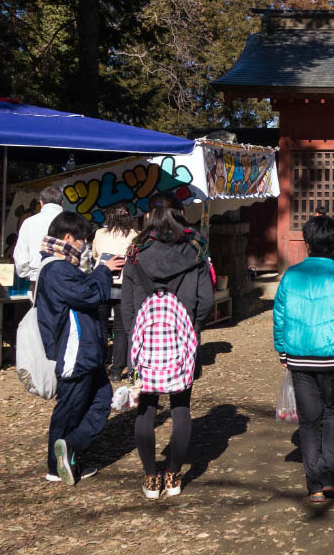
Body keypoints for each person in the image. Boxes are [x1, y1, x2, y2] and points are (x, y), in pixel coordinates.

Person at [122, 192, 214, 498]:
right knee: (181, 406)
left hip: (141, 341)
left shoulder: (136, 250)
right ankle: (173, 475)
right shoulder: (196, 247)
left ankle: (151, 478)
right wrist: (193, 327)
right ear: (180, 214)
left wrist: (134, 336)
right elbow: (206, 301)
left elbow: (126, 304)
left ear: (149, 215)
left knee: (145, 407)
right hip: (184, 338)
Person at [274, 214, 334, 503]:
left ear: (307, 243)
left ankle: (314, 484)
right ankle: (333, 478)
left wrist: (282, 350)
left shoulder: (291, 276)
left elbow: (279, 317)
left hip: (299, 355)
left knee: (309, 420)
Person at [37, 211, 124, 484]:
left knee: (101, 400)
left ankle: (71, 448)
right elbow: (90, 295)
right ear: (68, 238)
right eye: (82, 240)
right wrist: (103, 270)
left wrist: (100, 271)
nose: (84, 245)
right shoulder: (57, 269)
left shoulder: (61, 267)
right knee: (70, 409)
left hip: (86, 351)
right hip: (75, 352)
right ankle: (57, 465)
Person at [92, 202, 140, 381]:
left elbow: (95, 254)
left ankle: (102, 365)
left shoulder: (100, 233)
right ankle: (117, 371)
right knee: (121, 328)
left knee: (101, 326)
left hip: (102, 282)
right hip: (124, 284)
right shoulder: (135, 235)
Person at [14, 187, 65, 288]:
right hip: (67, 277)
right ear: (62, 203)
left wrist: (29, 274)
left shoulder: (29, 222)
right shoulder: (73, 221)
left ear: (41, 203)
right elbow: (82, 253)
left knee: (40, 299)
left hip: (38, 276)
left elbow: (20, 255)